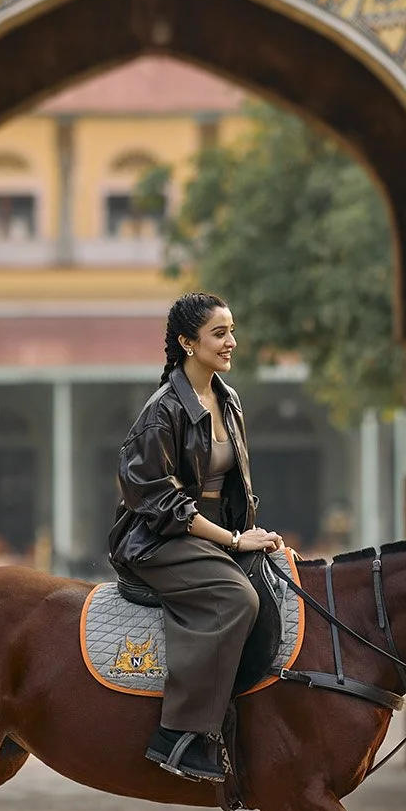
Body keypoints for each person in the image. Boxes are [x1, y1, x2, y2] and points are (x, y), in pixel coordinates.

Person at [108, 292, 283, 782]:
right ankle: (179, 735)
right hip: (156, 538)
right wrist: (232, 541)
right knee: (236, 599)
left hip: (213, 533)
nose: (232, 342)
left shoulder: (228, 399)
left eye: (231, 330)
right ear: (188, 342)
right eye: (219, 333)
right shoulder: (162, 412)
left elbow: (234, 486)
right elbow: (160, 504)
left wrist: (253, 533)